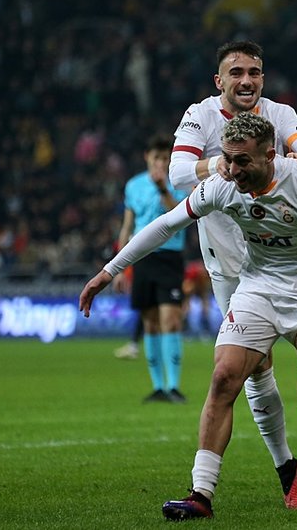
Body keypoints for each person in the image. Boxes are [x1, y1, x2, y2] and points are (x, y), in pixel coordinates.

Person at [79, 113, 297, 519]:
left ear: (270, 155)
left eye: (242, 161)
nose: (232, 169)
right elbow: (165, 225)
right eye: (227, 159)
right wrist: (109, 271)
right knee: (224, 377)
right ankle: (201, 493)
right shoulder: (223, 184)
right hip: (259, 289)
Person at [166, 40, 297, 508]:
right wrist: (223, 164)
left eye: (254, 73)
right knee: (253, 371)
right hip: (233, 265)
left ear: (263, 78)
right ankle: (285, 465)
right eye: (236, 72)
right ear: (220, 81)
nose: (246, 81)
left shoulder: (278, 113)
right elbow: (179, 173)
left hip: (289, 254)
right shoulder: (200, 116)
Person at [112, 134, 190, 403]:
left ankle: (174, 385)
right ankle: (158, 387)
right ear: (147, 157)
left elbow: (180, 215)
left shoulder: (177, 183)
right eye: (157, 157)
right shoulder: (133, 186)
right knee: (151, 322)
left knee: (171, 319)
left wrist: (162, 189)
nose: (161, 162)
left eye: (165, 158)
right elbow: (127, 227)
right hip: (143, 256)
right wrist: (120, 267)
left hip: (170, 256)